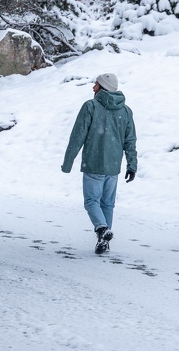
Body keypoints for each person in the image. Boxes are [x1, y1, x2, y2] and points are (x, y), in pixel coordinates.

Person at [62, 73, 137, 254]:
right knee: (107, 204)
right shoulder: (125, 111)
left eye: (95, 84)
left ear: (102, 87)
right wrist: (131, 164)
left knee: (91, 201)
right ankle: (104, 241)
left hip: (94, 163)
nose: (93, 87)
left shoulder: (91, 106)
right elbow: (130, 140)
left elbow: (77, 136)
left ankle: (102, 229)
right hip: (113, 166)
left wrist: (68, 162)